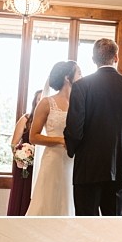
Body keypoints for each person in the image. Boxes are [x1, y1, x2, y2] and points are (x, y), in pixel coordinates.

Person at [64, 38, 122, 216]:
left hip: (87, 167)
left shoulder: (81, 86)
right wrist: (119, 147)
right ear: (116, 57)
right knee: (114, 226)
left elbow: (74, 129)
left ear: (93, 59)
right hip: (119, 168)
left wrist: (75, 150)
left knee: (86, 225)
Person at [26, 60, 81, 217]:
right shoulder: (46, 103)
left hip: (74, 163)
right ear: (67, 77)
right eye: (79, 73)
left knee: (69, 203)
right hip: (53, 160)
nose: (82, 77)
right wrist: (60, 140)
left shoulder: (80, 103)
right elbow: (33, 137)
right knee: (48, 202)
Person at [6, 90, 41, 217]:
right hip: (24, 166)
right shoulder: (26, 119)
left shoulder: (49, 121)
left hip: (41, 165)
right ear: (34, 102)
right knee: (22, 196)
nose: (41, 102)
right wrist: (21, 157)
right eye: (38, 99)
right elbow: (14, 144)